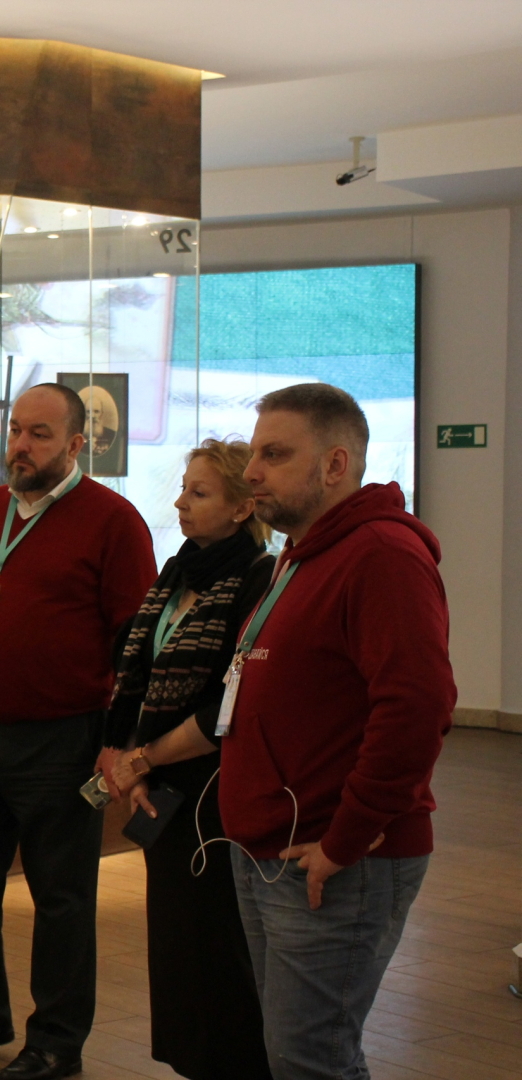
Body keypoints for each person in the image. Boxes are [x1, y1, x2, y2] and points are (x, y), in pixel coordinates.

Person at [0, 383, 155, 1080]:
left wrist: (119, 741)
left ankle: (56, 1040)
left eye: (39, 434)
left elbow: (136, 645)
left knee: (61, 895)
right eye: (15, 430)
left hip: (64, 740)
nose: (20, 445)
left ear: (77, 444)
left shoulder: (113, 521)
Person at [217, 384, 453, 1080]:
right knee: (296, 1055)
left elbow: (417, 707)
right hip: (271, 847)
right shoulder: (300, 553)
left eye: (274, 455)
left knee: (311, 1060)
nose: (251, 471)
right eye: (254, 453)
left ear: (335, 464)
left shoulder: (381, 554)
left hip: (336, 858)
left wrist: (346, 838)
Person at [101, 439, 275, 1080]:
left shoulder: (257, 578)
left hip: (213, 787)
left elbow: (228, 703)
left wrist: (144, 759)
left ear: (241, 507)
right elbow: (138, 675)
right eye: (182, 488)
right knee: (178, 945)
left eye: (199, 493)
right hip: (162, 784)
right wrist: (127, 754)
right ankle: (194, 1062)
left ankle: (237, 1064)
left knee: (218, 946)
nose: (180, 503)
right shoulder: (176, 574)